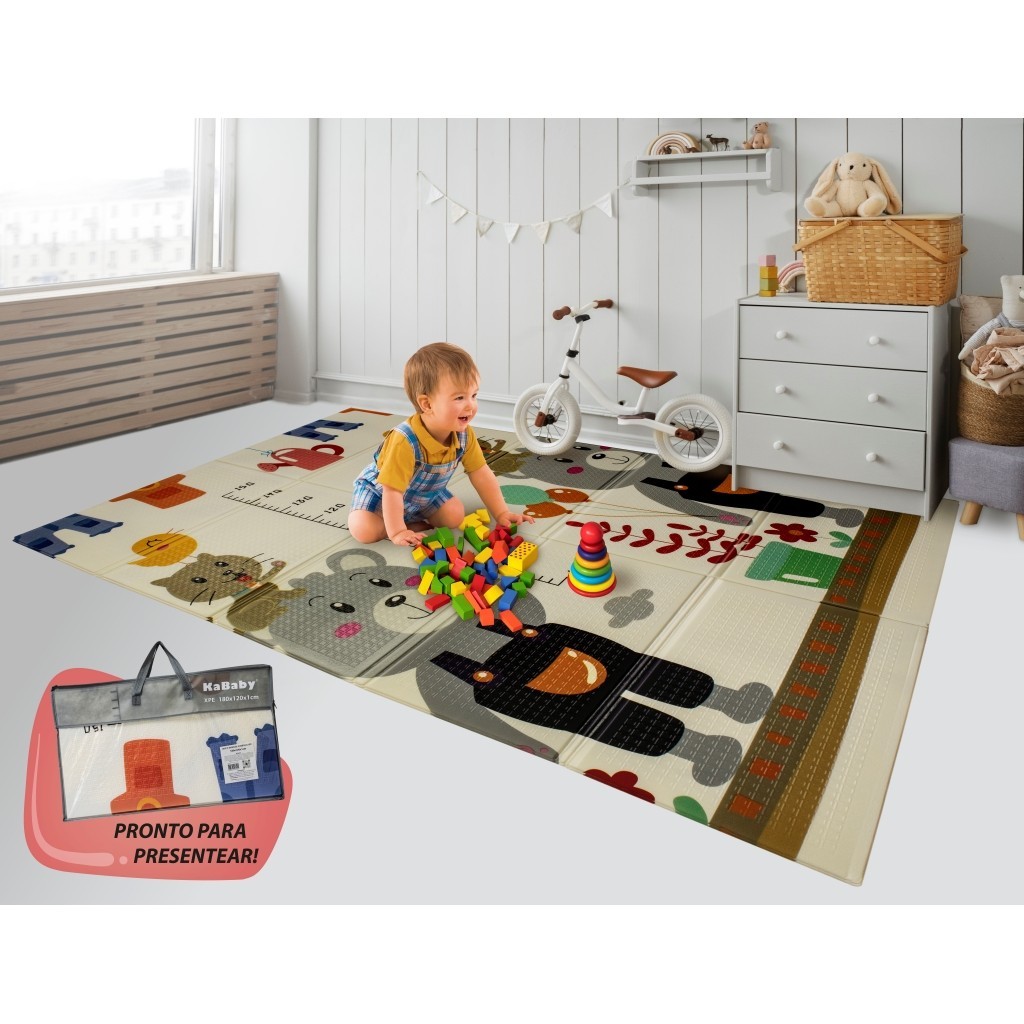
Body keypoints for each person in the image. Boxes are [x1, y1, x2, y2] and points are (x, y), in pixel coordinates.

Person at [348, 342, 535, 547]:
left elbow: (481, 473)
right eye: (459, 397)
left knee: (454, 515)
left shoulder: (464, 435)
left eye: (474, 395)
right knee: (363, 530)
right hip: (381, 494)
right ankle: (399, 525)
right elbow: (392, 491)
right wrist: (398, 532)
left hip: (424, 497)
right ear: (427, 404)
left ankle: (411, 522)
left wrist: (501, 512)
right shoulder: (404, 441)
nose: (470, 405)